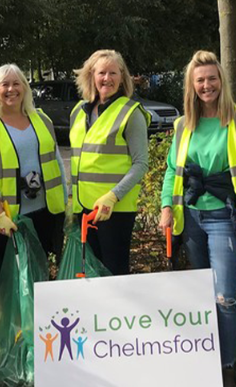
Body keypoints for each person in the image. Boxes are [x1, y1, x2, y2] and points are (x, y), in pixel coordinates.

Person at [158, 50, 236, 387]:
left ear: (222, 81)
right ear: (192, 84)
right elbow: (173, 170)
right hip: (190, 219)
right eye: (199, 80)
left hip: (223, 218)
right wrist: (166, 207)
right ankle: (202, 370)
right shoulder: (181, 125)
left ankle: (227, 374)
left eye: (212, 79)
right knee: (200, 299)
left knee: (224, 298)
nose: (207, 86)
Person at [0, 64, 68, 280]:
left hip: (45, 211)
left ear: (25, 88)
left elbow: (56, 162)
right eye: (4, 84)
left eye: (16, 83)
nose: (11, 89)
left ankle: (36, 313)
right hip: (8, 216)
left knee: (40, 270)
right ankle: (15, 315)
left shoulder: (42, 120)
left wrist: (65, 205)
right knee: (10, 279)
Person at [69, 50, 150, 275]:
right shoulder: (78, 111)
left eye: (113, 73)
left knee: (114, 273)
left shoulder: (130, 113)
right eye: (101, 72)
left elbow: (141, 163)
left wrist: (113, 196)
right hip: (84, 208)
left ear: (122, 77)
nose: (107, 79)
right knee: (90, 273)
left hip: (115, 211)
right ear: (91, 75)